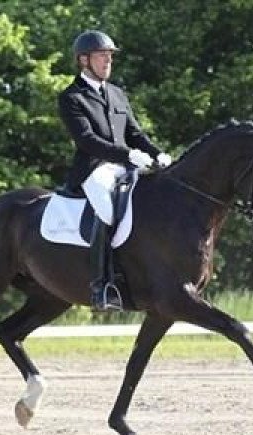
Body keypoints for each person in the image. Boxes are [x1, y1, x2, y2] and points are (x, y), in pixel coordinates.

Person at [58, 29, 172, 312]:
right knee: (108, 211)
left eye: (110, 56)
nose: (108, 61)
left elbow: (135, 133)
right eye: (102, 56)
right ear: (84, 60)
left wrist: (158, 154)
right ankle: (102, 286)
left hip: (125, 166)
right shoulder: (72, 97)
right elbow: (87, 141)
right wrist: (129, 154)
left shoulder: (117, 94)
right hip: (94, 169)